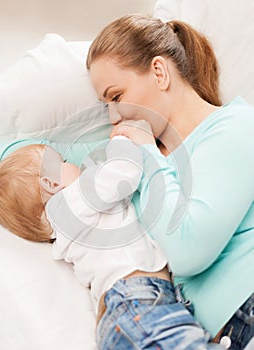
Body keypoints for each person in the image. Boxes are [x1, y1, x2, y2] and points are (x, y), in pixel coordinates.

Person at [86, 14, 254, 349]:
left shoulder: (237, 127)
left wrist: (148, 153)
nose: (112, 117)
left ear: (160, 73)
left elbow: (189, 251)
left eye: (116, 97)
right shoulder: (136, 161)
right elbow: (39, 157)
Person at [0, 139, 224, 350]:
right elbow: (124, 172)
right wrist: (122, 140)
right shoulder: (71, 201)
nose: (75, 165)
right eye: (64, 161)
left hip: (128, 312)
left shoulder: (66, 227)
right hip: (135, 301)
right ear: (51, 183)